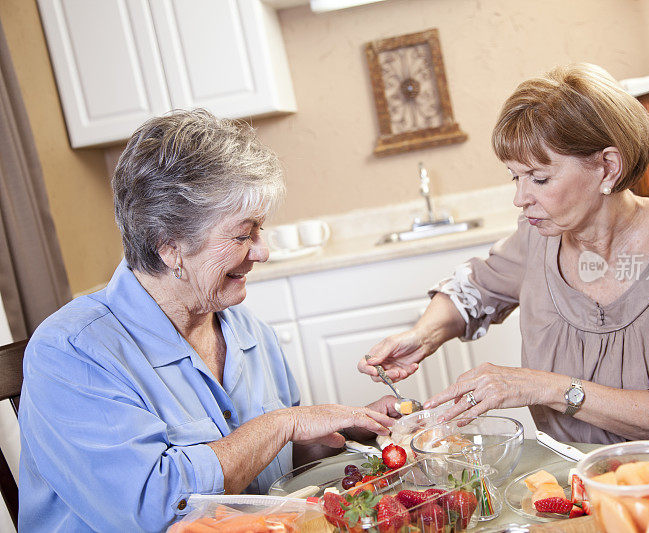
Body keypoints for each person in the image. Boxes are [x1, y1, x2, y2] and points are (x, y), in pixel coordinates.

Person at [358, 63, 649, 452]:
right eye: (515, 177)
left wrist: (544, 386)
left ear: (607, 168)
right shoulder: (539, 238)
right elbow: (474, 288)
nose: (521, 198)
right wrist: (421, 337)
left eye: (539, 178)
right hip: (569, 485)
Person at [18, 110, 396, 532]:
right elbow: (158, 508)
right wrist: (282, 423)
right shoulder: (71, 353)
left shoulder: (247, 330)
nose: (262, 251)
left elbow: (275, 467)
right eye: (243, 235)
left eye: (261, 230)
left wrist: (347, 429)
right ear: (170, 248)